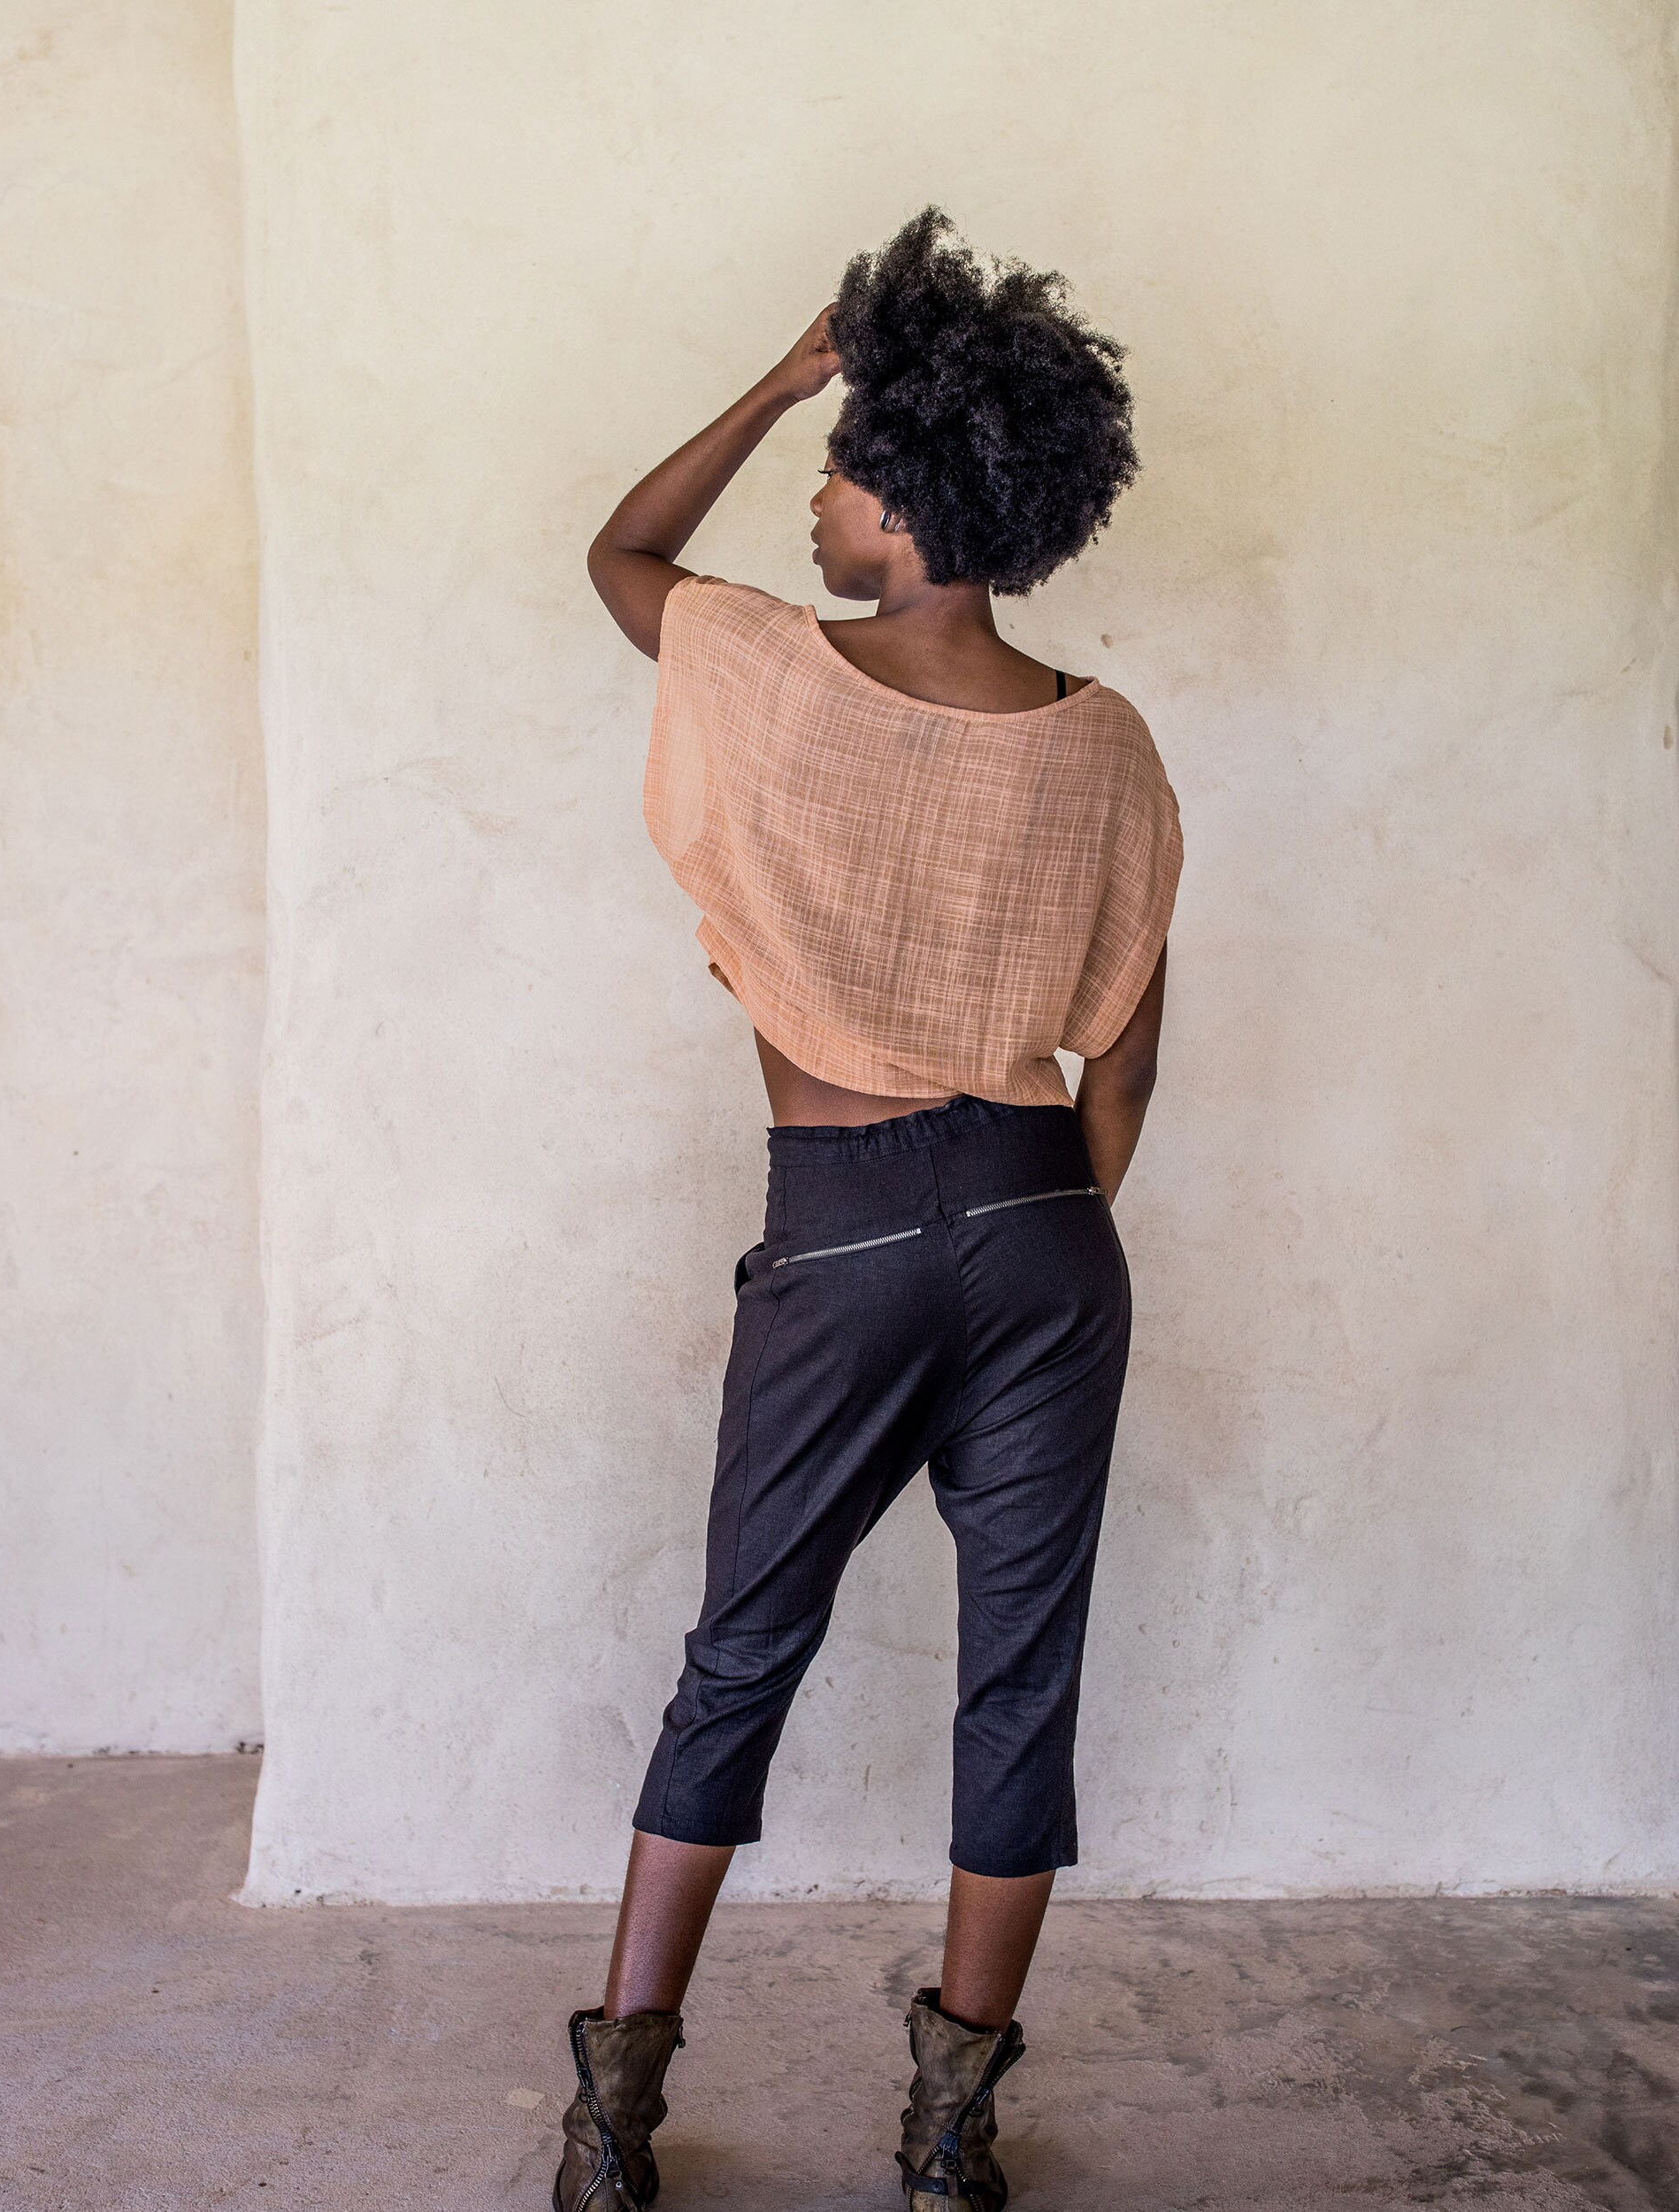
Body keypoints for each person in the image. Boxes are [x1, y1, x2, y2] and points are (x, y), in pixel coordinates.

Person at [559, 207, 1182, 2212]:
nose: (816, 504)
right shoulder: (1108, 743)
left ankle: (613, 2123)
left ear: (908, 497)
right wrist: (1024, 1235)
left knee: (741, 1652)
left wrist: (776, 376)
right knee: (1022, 1678)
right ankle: (947, 2135)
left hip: (840, 1223)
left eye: (839, 472)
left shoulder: (765, 668)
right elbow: (1121, 1069)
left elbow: (620, 556)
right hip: (1047, 1224)